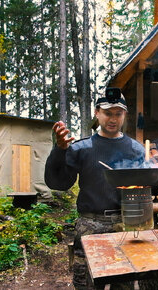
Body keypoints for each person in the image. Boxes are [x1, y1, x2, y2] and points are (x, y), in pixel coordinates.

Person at [45, 88, 144, 289]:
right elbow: (58, 183)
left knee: (123, 284)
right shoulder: (81, 148)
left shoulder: (136, 150)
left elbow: (145, 191)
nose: (113, 118)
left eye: (118, 113)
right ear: (97, 113)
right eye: (108, 113)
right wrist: (59, 150)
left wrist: (157, 178)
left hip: (124, 226)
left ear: (125, 115)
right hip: (90, 225)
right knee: (86, 284)